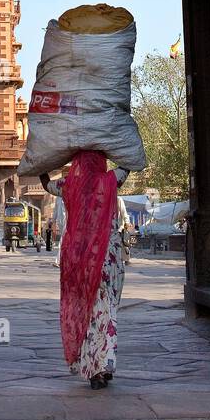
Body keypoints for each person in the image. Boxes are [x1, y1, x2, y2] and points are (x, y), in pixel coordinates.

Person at [41, 153, 128, 390]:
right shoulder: (111, 180)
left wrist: (45, 159)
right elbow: (130, 164)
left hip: (79, 260)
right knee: (107, 312)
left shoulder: (69, 184)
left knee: (87, 311)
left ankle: (93, 368)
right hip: (107, 260)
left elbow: (45, 183)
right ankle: (104, 366)